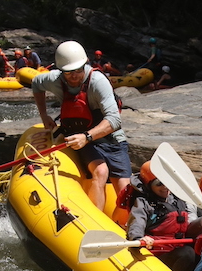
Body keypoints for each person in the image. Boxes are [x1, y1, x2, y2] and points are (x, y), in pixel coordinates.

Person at [31, 40, 131, 210]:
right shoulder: (55, 79)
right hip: (81, 137)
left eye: (78, 70)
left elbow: (114, 120)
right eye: (69, 73)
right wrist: (43, 115)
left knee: (125, 193)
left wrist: (87, 137)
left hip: (109, 138)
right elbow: (36, 84)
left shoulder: (98, 81)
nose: (75, 76)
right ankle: (95, 226)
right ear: (61, 71)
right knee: (101, 171)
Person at [127, 161, 202, 271]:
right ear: (148, 185)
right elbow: (137, 222)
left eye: (167, 182)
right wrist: (138, 238)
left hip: (176, 250)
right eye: (159, 184)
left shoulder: (178, 200)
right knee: (187, 253)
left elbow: (189, 230)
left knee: (198, 254)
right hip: (155, 253)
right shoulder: (144, 203)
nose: (165, 187)